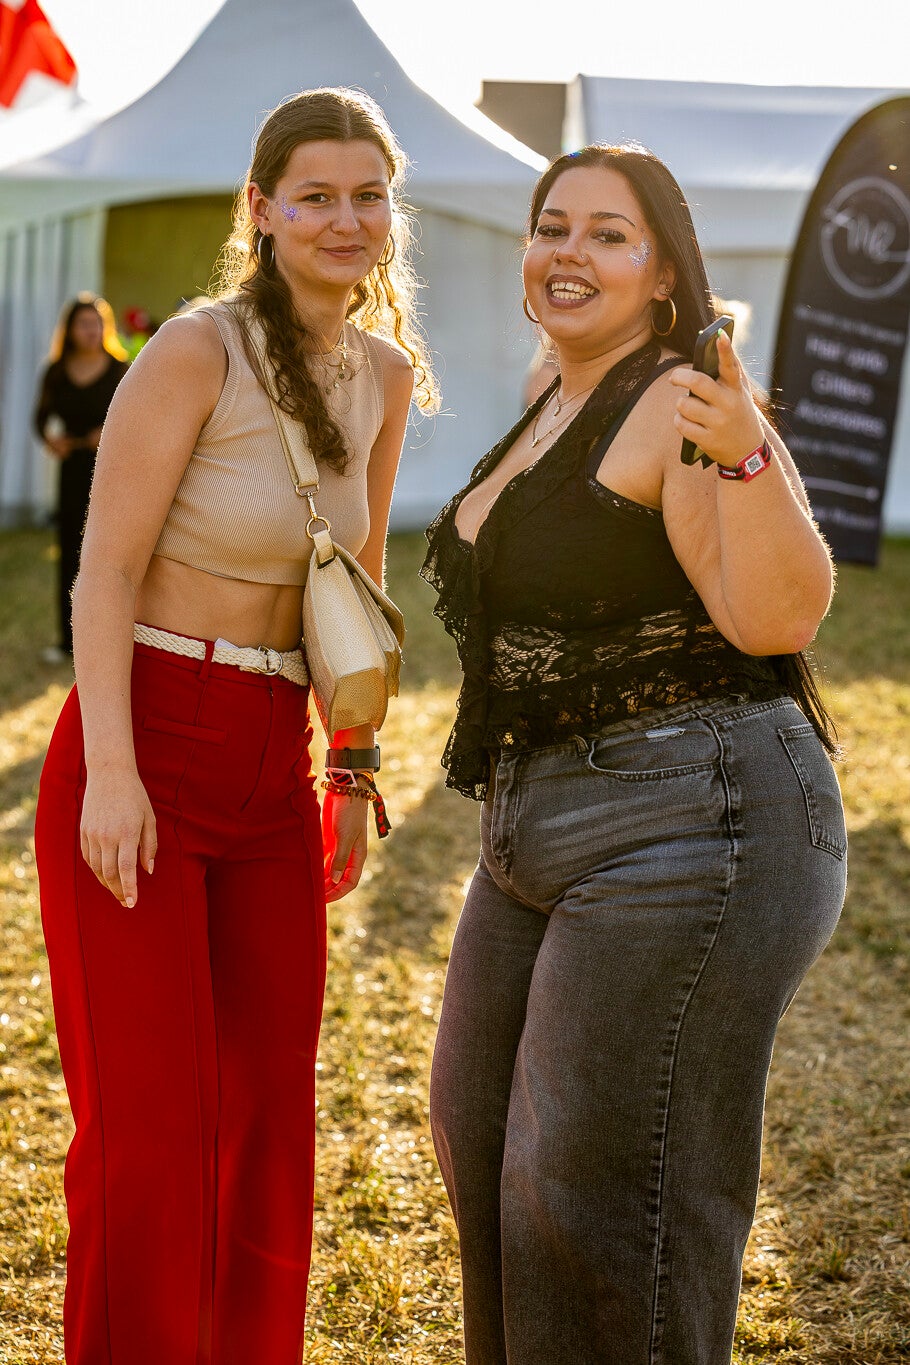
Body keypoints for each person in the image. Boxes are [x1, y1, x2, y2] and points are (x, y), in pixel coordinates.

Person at [421, 143, 847, 1365]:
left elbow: (776, 617)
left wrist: (749, 454)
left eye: (608, 234)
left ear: (663, 272)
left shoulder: (680, 399)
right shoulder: (553, 396)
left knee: (592, 1198)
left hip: (695, 817)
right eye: (551, 225)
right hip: (534, 828)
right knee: (478, 1140)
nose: (568, 252)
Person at [35, 86, 434, 1365]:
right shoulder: (195, 351)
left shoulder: (385, 375)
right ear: (260, 209)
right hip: (143, 734)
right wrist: (111, 773)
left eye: (368, 195)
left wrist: (352, 769)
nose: (344, 219)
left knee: (267, 1120)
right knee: (150, 1130)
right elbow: (104, 571)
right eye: (315, 196)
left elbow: (356, 592)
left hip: (276, 757)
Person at [34, 293, 129, 661]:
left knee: (110, 556)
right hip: (72, 471)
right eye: (84, 324)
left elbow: (136, 417)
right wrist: (50, 439)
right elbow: (40, 418)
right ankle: (67, 640)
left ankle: (111, 642)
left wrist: (108, 432)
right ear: (70, 330)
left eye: (97, 323)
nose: (92, 330)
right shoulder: (56, 371)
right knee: (70, 553)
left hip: (112, 470)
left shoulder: (120, 369)